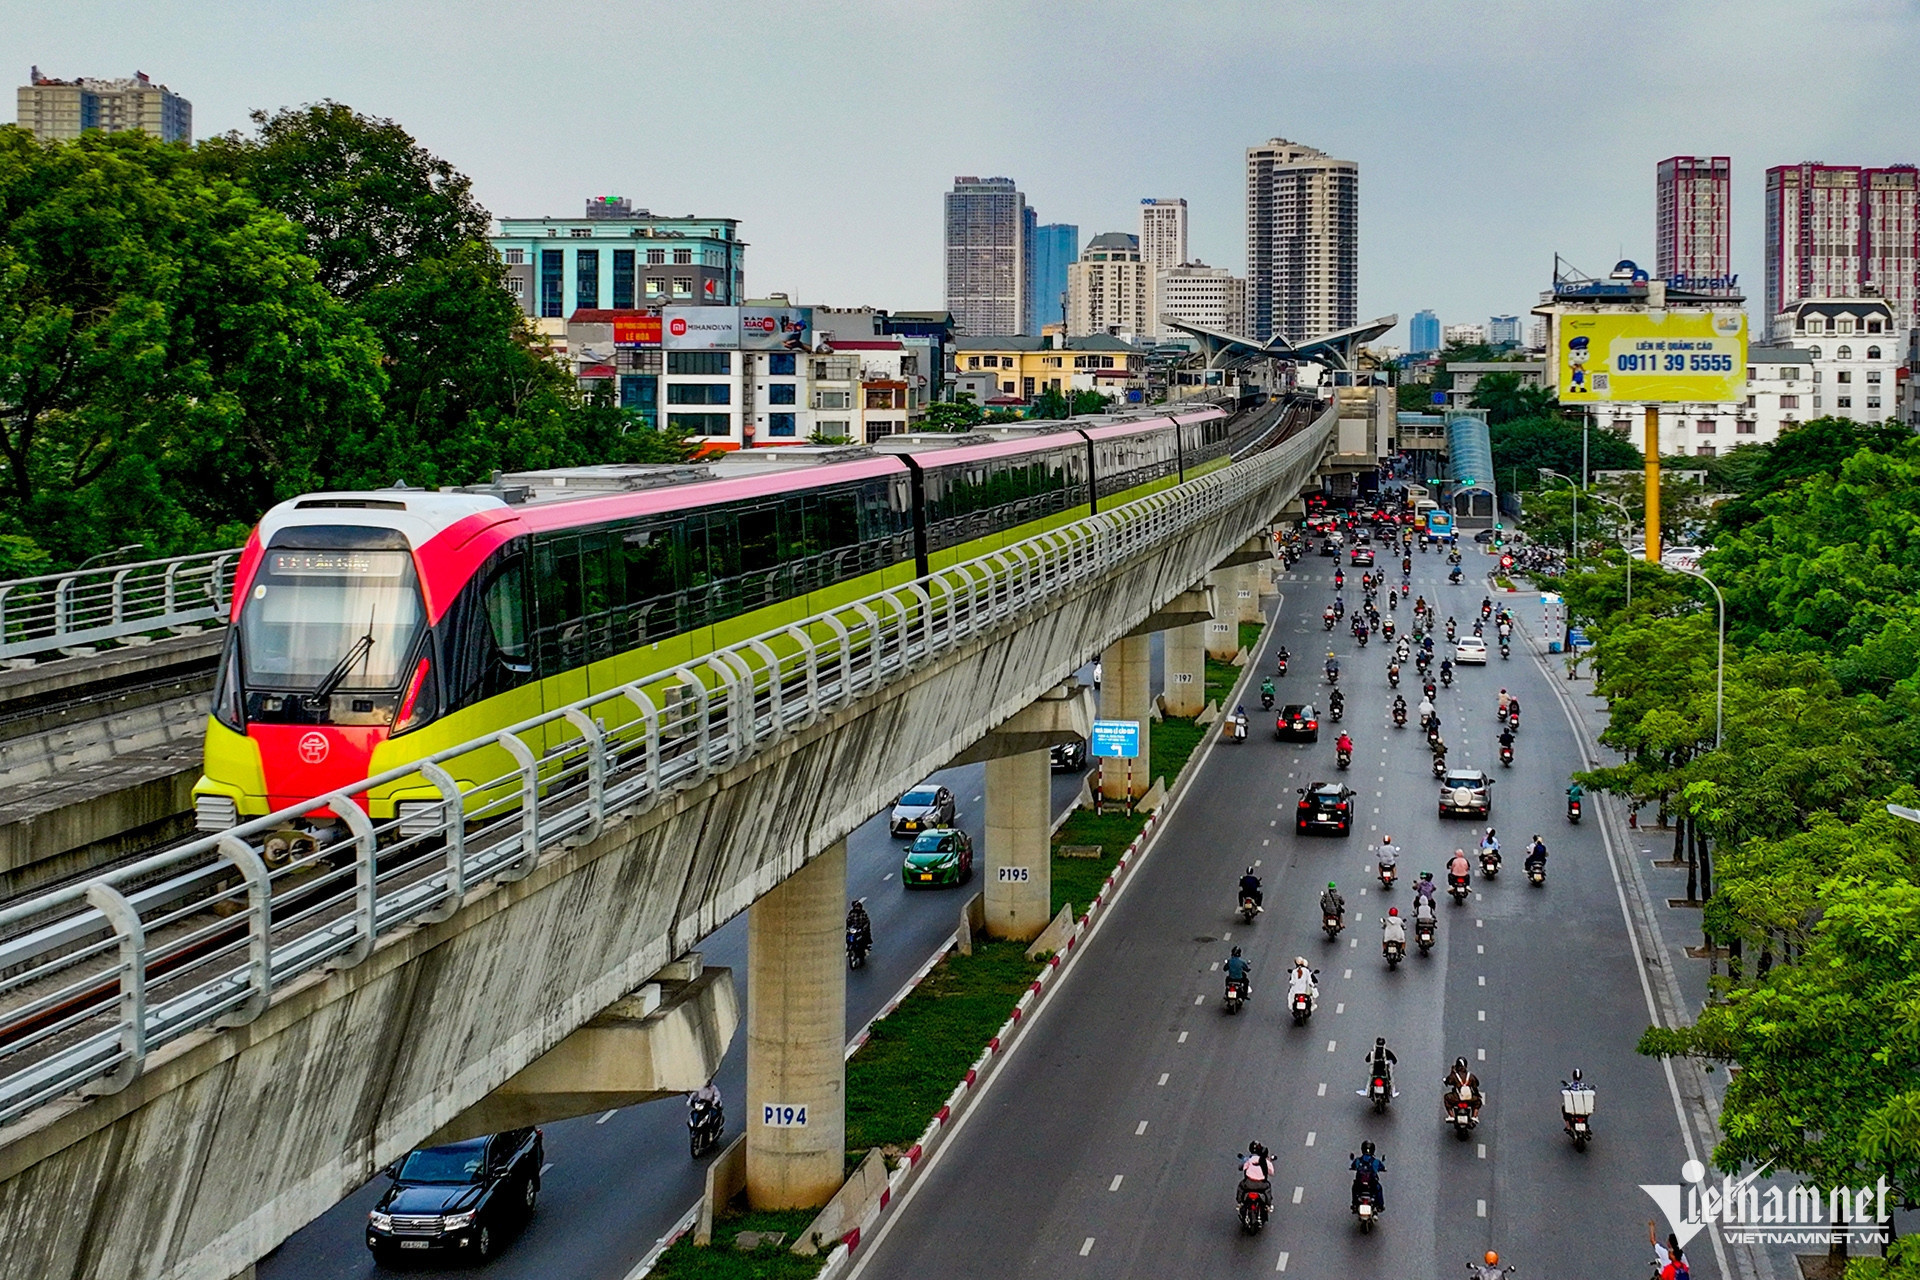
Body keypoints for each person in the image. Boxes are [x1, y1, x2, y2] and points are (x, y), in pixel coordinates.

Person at [1350, 1140, 1387, 1212]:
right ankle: (1380, 1206)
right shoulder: (1376, 1161)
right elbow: (1382, 1167)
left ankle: (1354, 1204)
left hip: (1359, 1185)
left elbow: (1353, 1166)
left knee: (1354, 1188)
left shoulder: (1358, 1160)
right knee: (1379, 1189)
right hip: (1372, 1185)